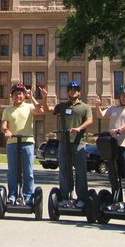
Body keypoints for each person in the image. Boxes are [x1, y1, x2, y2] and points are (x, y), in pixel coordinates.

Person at [43, 80, 93, 208]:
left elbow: (90, 120)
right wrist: (44, 98)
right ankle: (65, 197)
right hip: (64, 142)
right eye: (70, 90)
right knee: (64, 171)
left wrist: (79, 128)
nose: (73, 92)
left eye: (75, 90)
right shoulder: (63, 106)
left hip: (78, 143)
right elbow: (48, 109)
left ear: (79, 92)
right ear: (68, 92)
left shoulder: (85, 107)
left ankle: (81, 198)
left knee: (80, 172)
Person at [93, 83, 125, 206]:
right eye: (123, 95)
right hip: (112, 147)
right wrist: (97, 105)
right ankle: (116, 199)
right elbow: (100, 115)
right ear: (120, 96)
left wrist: (119, 130)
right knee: (113, 174)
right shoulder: (113, 108)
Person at [1, 82, 45, 205]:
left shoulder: (29, 107)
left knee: (28, 171)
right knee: (12, 171)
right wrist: (7, 131)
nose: (18, 96)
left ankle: (28, 196)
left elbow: (40, 110)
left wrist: (31, 97)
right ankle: (13, 195)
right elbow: (4, 125)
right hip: (12, 143)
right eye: (15, 94)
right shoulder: (7, 110)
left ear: (23, 95)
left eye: (20, 94)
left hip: (27, 142)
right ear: (12, 96)